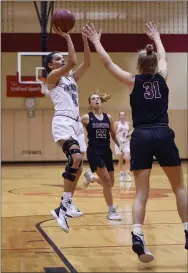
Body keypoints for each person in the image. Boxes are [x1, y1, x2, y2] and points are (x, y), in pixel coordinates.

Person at [82, 22, 188, 262]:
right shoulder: (162, 77)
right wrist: (158, 37)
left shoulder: (133, 81)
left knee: (141, 193)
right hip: (162, 132)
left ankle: (138, 234)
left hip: (141, 136)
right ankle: (187, 228)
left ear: (139, 65)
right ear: (154, 64)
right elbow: (163, 56)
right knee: (179, 188)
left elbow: (108, 63)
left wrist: (96, 41)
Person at [42, 25, 90, 233]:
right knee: (76, 157)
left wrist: (86, 39)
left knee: (78, 166)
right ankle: (64, 204)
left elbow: (86, 63)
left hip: (76, 123)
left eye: (62, 58)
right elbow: (73, 61)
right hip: (62, 121)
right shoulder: (53, 78)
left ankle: (64, 206)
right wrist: (69, 37)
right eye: (58, 59)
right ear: (51, 64)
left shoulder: (71, 79)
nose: (63, 61)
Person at [81, 91, 121, 220]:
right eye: (93, 99)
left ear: (101, 101)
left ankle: (91, 178)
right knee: (107, 182)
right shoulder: (86, 118)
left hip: (106, 151)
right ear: (90, 103)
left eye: (98, 98)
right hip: (94, 151)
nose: (96, 100)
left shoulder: (108, 118)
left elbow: (113, 134)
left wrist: (120, 145)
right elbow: (75, 128)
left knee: (111, 183)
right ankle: (111, 211)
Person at [114, 111, 132, 182]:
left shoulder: (128, 123)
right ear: (119, 116)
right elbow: (114, 133)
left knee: (128, 159)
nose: (122, 116)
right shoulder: (116, 123)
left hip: (126, 142)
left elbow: (130, 131)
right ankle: (121, 173)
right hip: (119, 143)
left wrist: (129, 134)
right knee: (120, 160)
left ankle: (127, 173)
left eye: (123, 115)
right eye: (121, 115)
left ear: (125, 116)